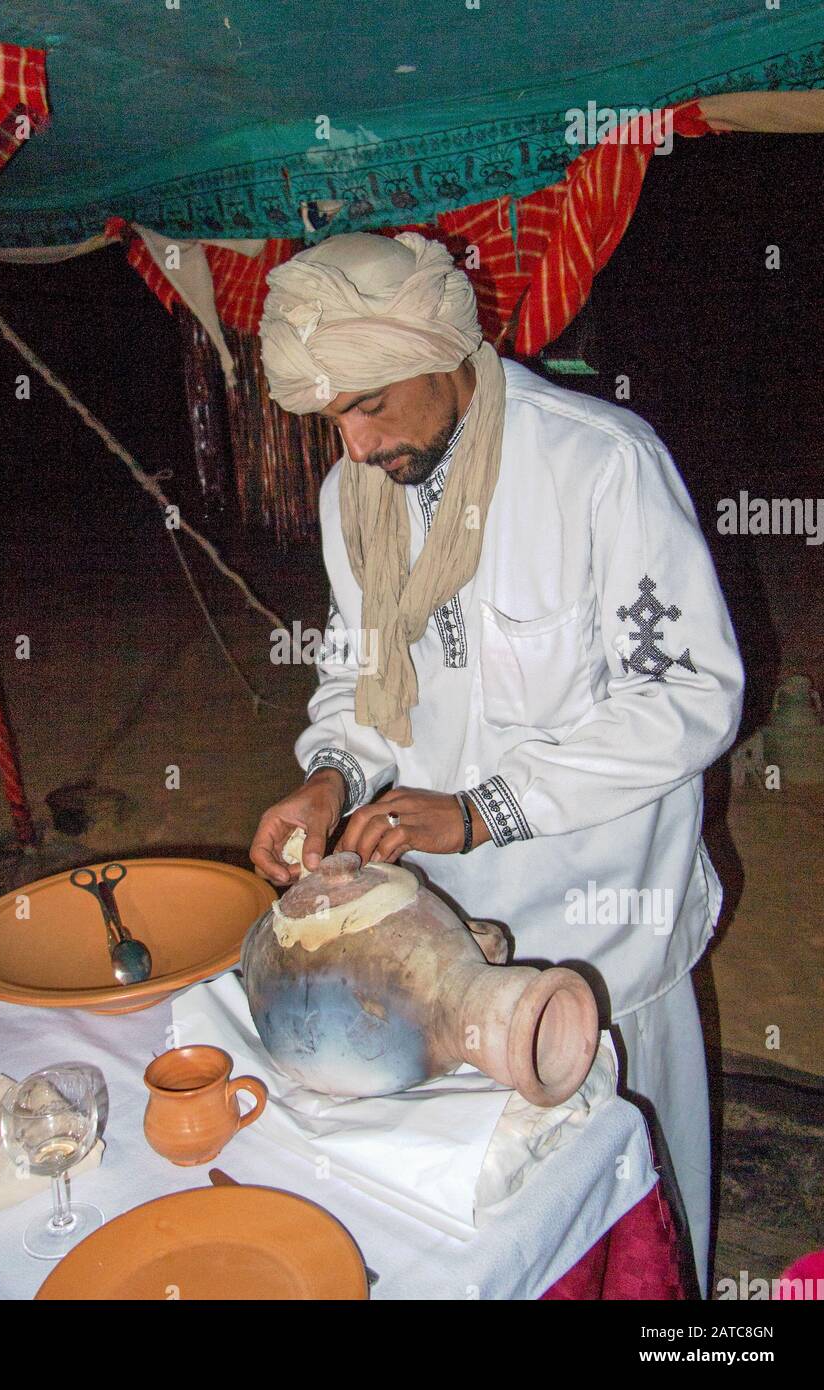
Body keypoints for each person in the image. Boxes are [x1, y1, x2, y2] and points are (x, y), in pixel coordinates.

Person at [249, 231, 744, 1294]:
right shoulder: (357, 498)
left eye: (374, 401)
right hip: (447, 938)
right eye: (333, 415)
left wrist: (484, 810)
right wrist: (330, 774)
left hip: (603, 928)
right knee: (505, 1222)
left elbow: (691, 694)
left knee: (639, 1205)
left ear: (446, 349)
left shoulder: (595, 464)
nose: (358, 439)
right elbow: (364, 670)